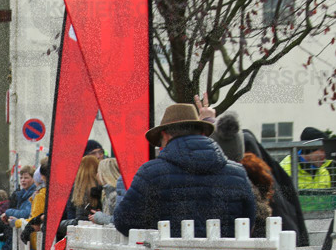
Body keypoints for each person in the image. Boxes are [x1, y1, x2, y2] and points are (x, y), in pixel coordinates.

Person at [114, 101, 255, 238]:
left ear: (165, 135)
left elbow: (124, 222)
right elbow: (248, 223)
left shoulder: (151, 173)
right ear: (202, 132)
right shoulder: (238, 173)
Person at [89, 158, 123, 225]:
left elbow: (118, 221)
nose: (97, 175)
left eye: (98, 171)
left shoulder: (114, 194)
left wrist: (100, 217)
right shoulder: (107, 192)